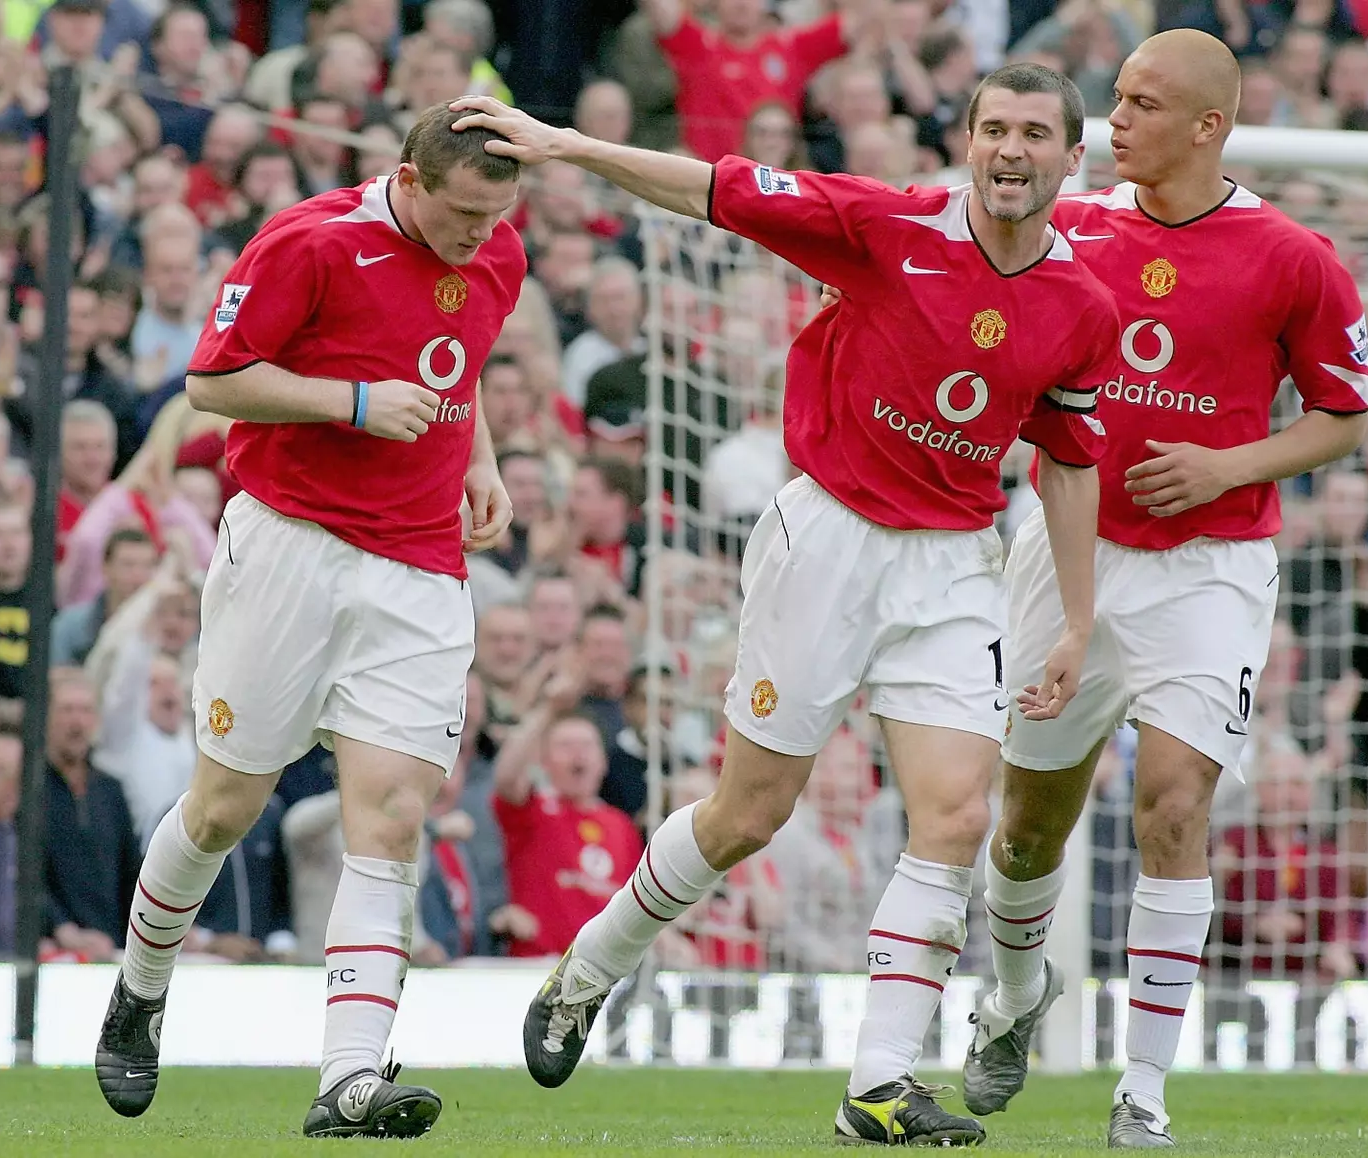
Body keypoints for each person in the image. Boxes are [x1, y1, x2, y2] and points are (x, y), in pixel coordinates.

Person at [449, 63, 1119, 1147]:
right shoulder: (883, 225)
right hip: (830, 540)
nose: (1010, 149)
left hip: (953, 563)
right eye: (994, 126)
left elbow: (1073, 462)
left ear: (1069, 159)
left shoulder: (1084, 304)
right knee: (748, 814)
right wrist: (566, 144)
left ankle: (879, 1086)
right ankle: (592, 964)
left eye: (1034, 133)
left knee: (954, 814)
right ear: (965, 139)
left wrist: (1078, 620)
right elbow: (712, 185)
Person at [957, 31, 1368, 1150]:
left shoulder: (1295, 258)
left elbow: (1348, 414)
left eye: (1142, 104)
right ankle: (1011, 1001)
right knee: (1027, 830)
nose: (1115, 122)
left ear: (1207, 126)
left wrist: (1229, 466)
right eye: (1116, 101)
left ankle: (1142, 1091)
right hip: (1069, 548)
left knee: (1177, 802)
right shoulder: (1075, 227)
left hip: (1212, 565)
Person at [93, 105, 527, 1140]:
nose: (480, 237)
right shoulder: (310, 240)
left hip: (420, 567)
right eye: (463, 214)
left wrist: (481, 460)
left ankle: (349, 1079)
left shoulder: (497, 250)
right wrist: (354, 403)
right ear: (409, 181)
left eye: (496, 215)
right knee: (222, 808)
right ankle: (140, 989)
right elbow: (213, 381)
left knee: (390, 815)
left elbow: (453, 359)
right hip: (289, 547)